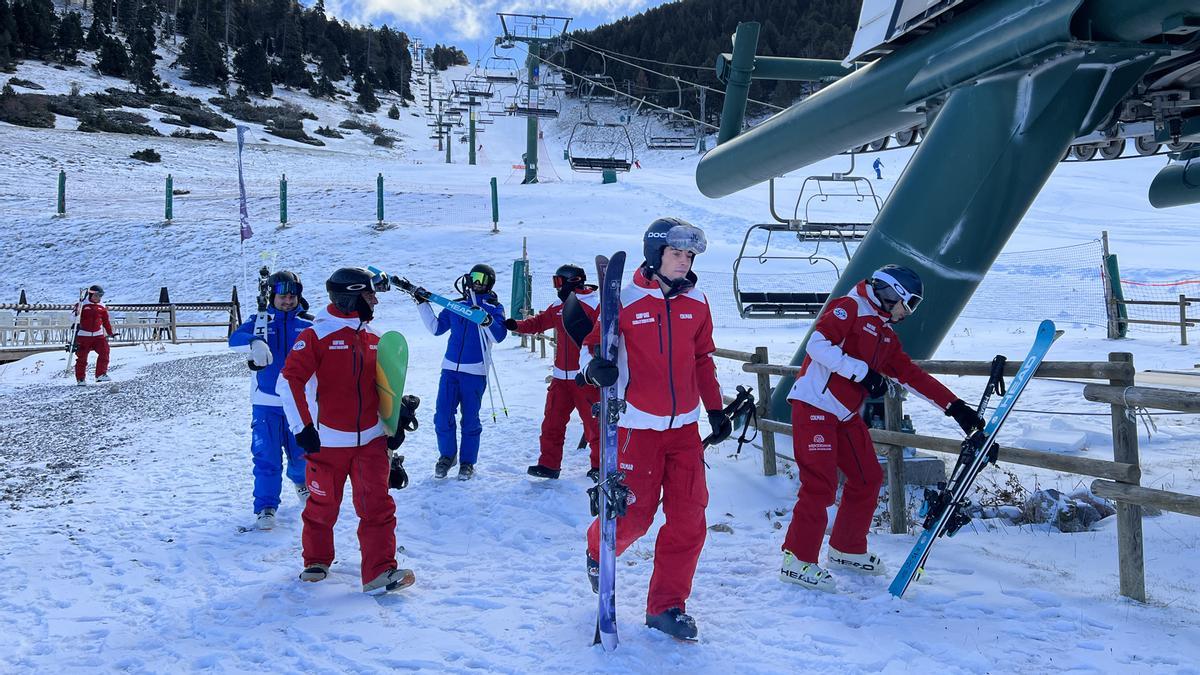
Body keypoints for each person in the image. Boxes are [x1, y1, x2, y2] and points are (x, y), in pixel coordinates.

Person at [778, 264, 985, 592]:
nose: (909, 311)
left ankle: (846, 548)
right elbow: (817, 345)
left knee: (867, 477)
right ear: (891, 294)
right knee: (820, 485)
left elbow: (910, 375)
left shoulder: (884, 334)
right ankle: (797, 559)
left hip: (844, 414)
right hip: (814, 405)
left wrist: (955, 407)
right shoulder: (849, 308)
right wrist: (861, 372)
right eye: (909, 302)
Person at [578, 217, 731, 641]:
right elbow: (590, 351)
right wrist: (594, 369)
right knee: (635, 517)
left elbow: (702, 360)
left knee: (689, 519)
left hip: (683, 431)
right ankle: (597, 548)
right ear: (655, 254)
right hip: (635, 429)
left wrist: (715, 410)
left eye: (689, 255)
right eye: (676, 253)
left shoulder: (697, 302)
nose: (684, 262)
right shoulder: (623, 301)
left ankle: (666, 606)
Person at [279, 268, 415, 595]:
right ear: (350, 297)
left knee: (378, 507)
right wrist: (303, 428)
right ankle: (316, 559)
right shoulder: (316, 336)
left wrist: (394, 425)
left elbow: (386, 390)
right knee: (322, 507)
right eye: (369, 295)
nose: (375, 300)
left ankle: (380, 571)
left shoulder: (375, 339)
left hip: (370, 441)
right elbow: (288, 382)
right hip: (326, 442)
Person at [228, 270, 312, 531]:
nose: (287, 301)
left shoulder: (309, 324)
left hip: (299, 403)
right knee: (266, 455)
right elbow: (234, 338)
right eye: (282, 296)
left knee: (302, 453)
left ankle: (302, 483)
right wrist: (253, 341)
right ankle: (266, 506)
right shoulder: (260, 321)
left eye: (292, 296)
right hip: (266, 402)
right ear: (272, 297)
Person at [504, 264, 601, 480]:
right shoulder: (559, 305)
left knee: (594, 425)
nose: (557, 287)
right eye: (555, 282)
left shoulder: (594, 306)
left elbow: (603, 336)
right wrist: (516, 325)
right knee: (552, 423)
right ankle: (548, 464)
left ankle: (599, 466)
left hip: (584, 378)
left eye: (559, 282)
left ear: (573, 281)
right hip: (560, 378)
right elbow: (538, 323)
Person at [415, 264, 507, 480]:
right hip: (450, 369)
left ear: (490, 283)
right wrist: (422, 304)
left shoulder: (495, 307)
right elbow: (436, 328)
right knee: (442, 415)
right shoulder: (456, 306)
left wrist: (486, 320)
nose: (477, 281)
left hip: (475, 371)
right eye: (474, 276)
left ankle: (467, 462)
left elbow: (499, 336)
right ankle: (447, 456)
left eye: (482, 278)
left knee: (470, 419)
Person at [71, 284, 117, 385]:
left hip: (98, 335)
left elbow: (106, 321)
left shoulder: (102, 306)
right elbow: (73, 319)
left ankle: (100, 374)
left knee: (105, 351)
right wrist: (76, 313)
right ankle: (80, 379)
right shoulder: (82, 305)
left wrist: (110, 333)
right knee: (82, 357)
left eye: (100, 296)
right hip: (83, 336)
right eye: (96, 295)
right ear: (90, 295)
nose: (98, 298)